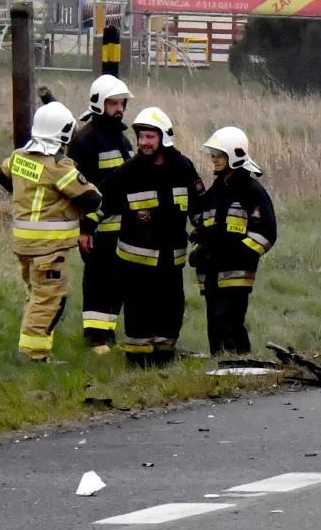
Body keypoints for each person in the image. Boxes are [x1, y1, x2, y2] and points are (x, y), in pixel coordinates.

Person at [91, 107, 204, 365]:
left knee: (171, 309)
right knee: (138, 309)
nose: (143, 142)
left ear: (163, 138)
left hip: (171, 259)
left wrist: (207, 234)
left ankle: (165, 355)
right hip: (135, 260)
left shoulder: (183, 167)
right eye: (141, 137)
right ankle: (139, 360)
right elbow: (101, 202)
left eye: (149, 137)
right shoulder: (129, 171)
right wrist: (86, 228)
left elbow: (198, 207)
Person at [0, 102, 102, 361]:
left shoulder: (19, 157)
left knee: (37, 297)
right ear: (63, 132)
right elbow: (91, 199)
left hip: (24, 245)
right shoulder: (58, 166)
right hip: (49, 248)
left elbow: (2, 176)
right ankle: (34, 354)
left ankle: (35, 349)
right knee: (48, 300)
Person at [190, 127, 277, 355]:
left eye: (219, 155)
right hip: (211, 276)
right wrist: (201, 242)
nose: (214, 159)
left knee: (230, 325)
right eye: (214, 154)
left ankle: (240, 368)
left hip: (236, 276)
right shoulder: (216, 191)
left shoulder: (251, 191)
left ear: (234, 156)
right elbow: (204, 220)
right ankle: (222, 372)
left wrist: (236, 255)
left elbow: (266, 234)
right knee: (215, 329)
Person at [68, 75, 134, 353]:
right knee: (97, 282)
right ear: (99, 104)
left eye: (122, 103)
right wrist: (84, 228)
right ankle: (95, 337)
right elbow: (77, 189)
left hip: (122, 228)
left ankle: (108, 333)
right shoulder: (85, 140)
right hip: (96, 229)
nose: (119, 109)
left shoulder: (123, 139)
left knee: (117, 283)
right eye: (113, 103)